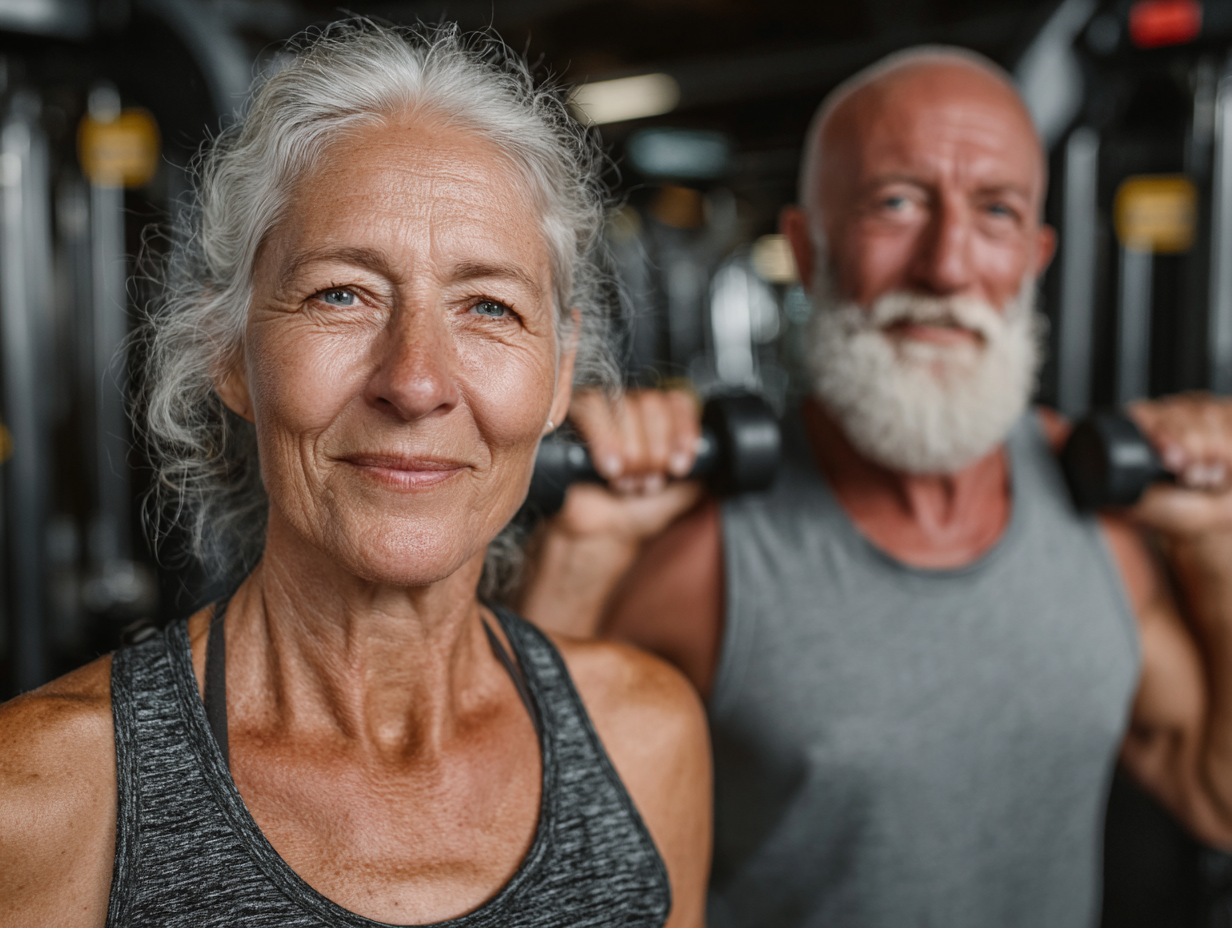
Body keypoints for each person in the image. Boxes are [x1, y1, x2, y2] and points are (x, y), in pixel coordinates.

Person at [0, 23, 710, 928]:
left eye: (488, 306)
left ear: (561, 371)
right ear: (229, 349)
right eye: (342, 294)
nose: (415, 382)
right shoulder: (41, 801)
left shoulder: (646, 737)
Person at [520, 47, 1232, 927]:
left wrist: (1214, 544)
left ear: (1033, 257)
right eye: (897, 203)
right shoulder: (705, 554)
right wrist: (584, 553)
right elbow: (521, 845)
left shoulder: (1107, 528)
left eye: (996, 211)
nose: (947, 267)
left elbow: (1215, 797)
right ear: (809, 249)